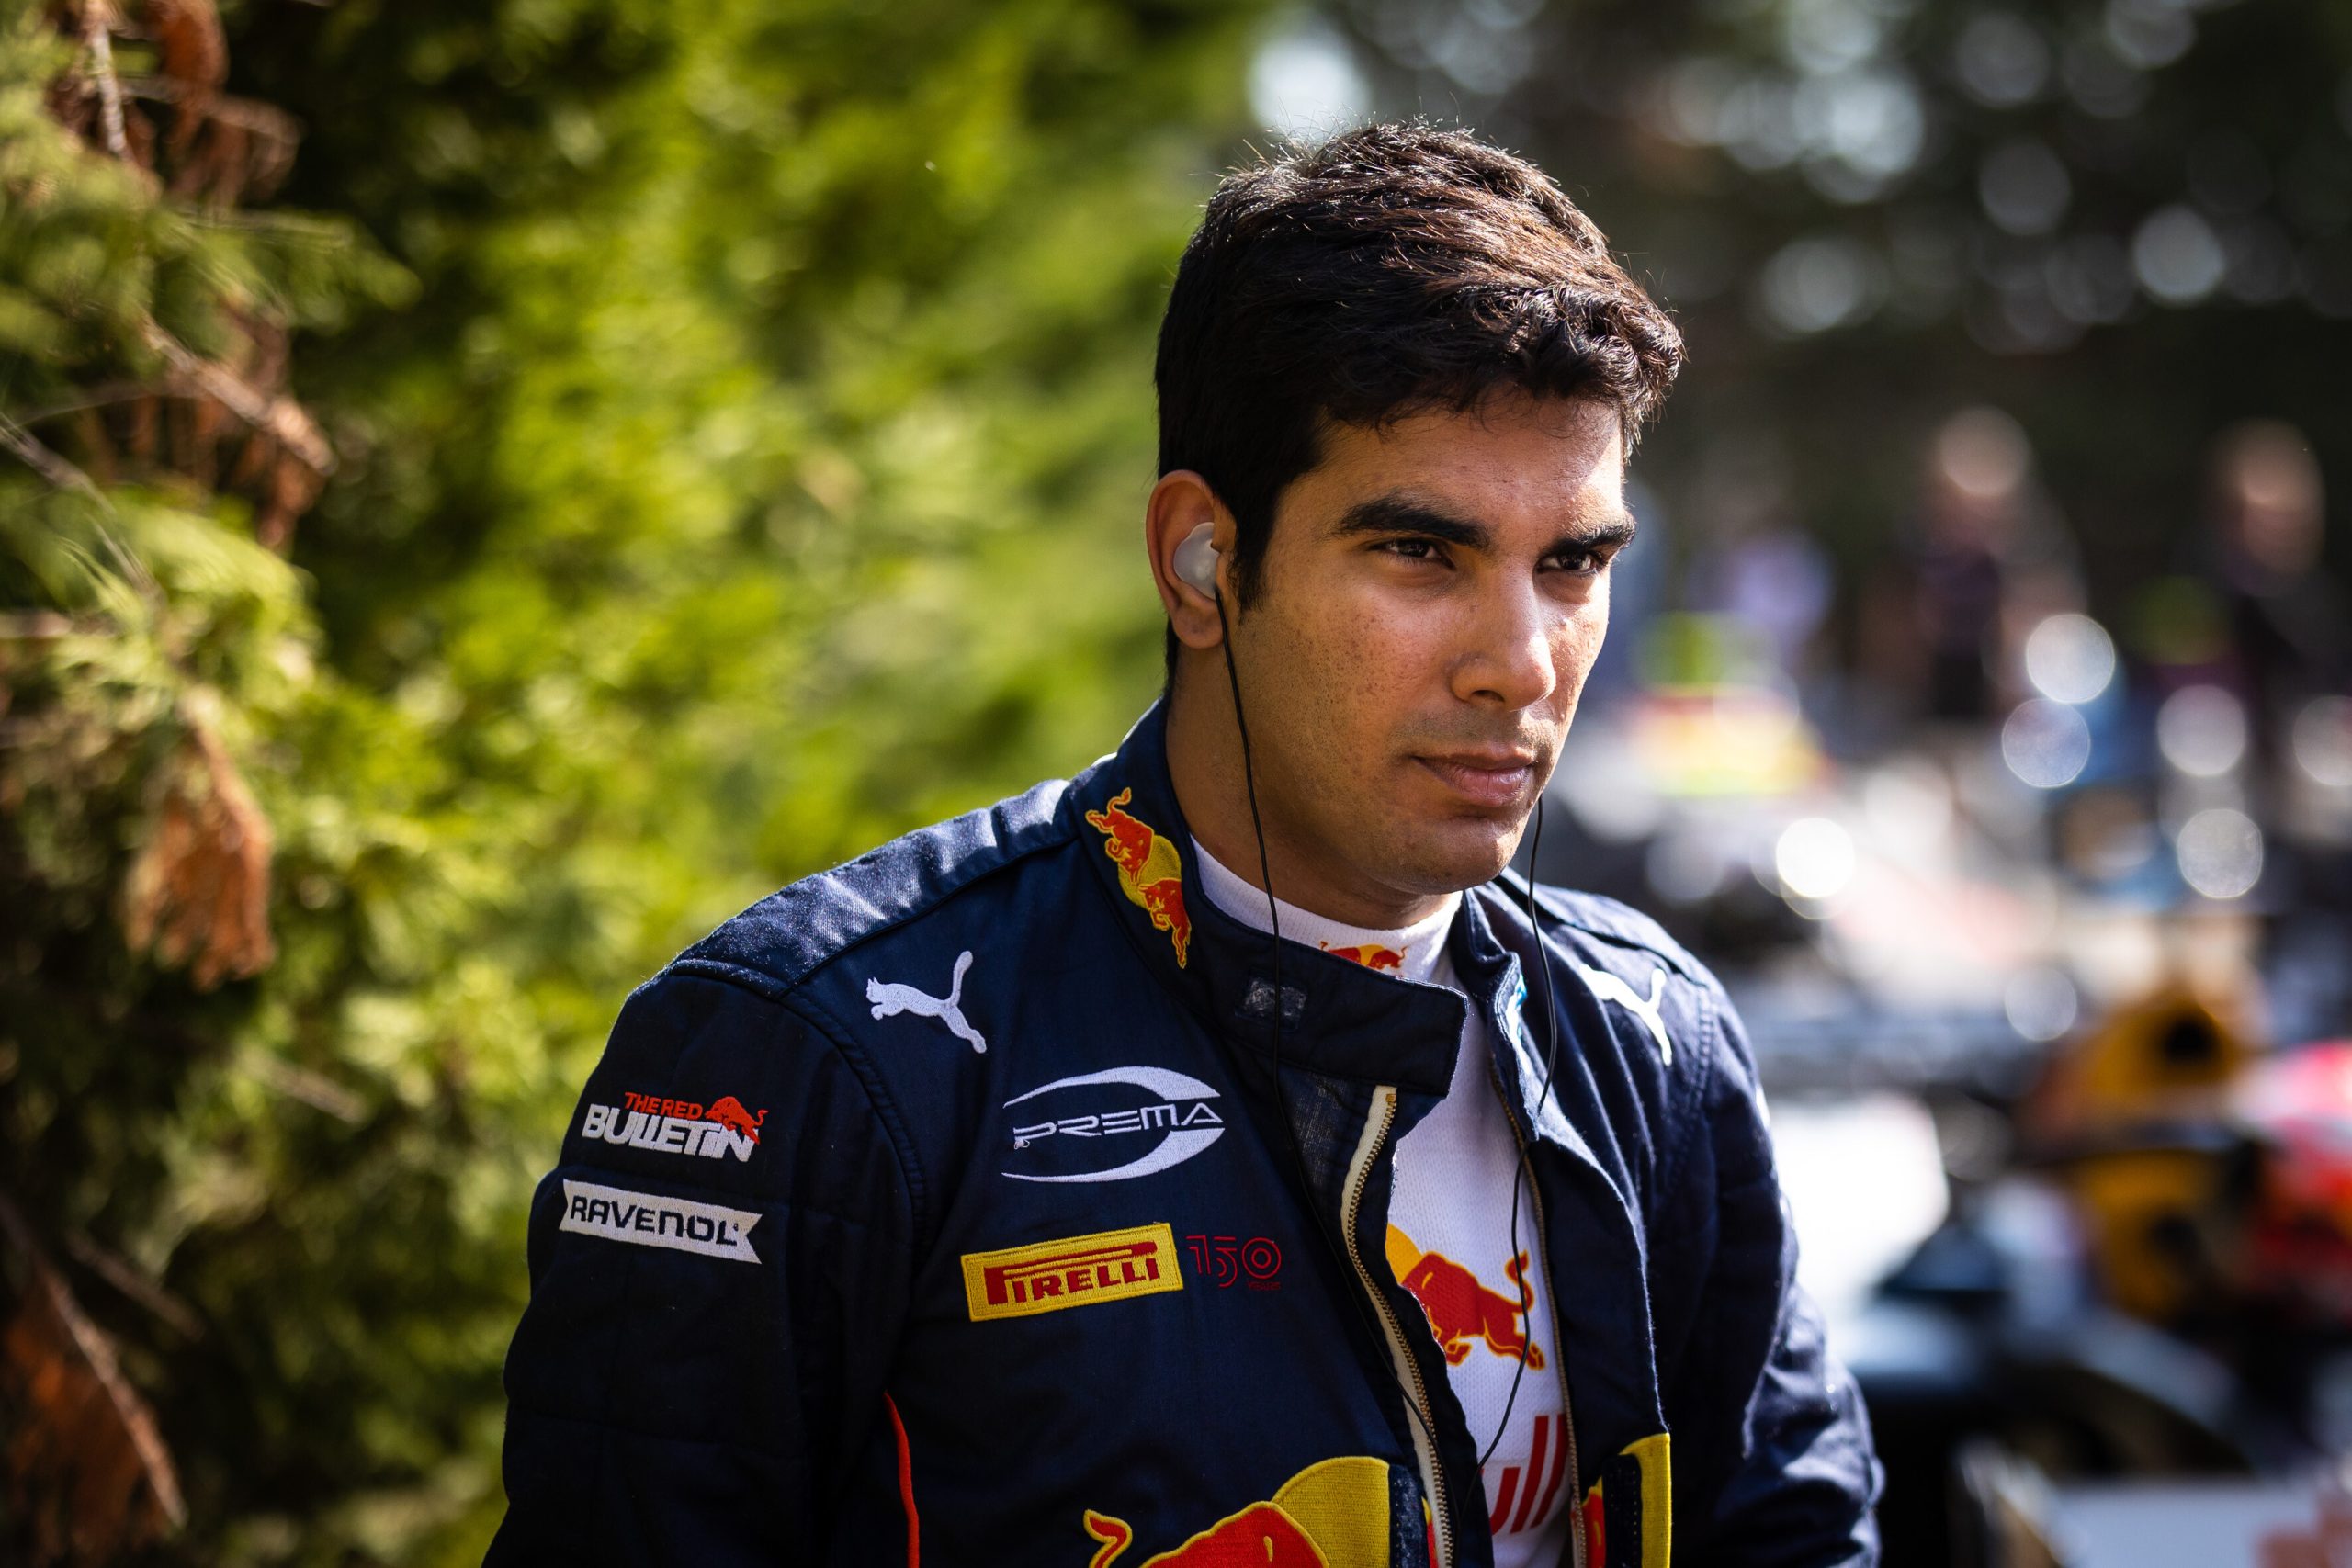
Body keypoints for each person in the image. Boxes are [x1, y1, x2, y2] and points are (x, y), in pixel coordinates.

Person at [485, 123, 1880, 1567]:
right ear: (1202, 561)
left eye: (1572, 564)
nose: (1521, 663)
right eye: (1422, 553)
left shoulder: (1654, 1040)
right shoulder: (806, 1059)